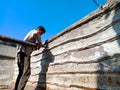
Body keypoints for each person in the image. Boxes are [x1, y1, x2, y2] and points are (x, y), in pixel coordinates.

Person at [14, 26, 46, 90]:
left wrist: (37, 45)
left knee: (21, 72)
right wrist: (40, 43)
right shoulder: (34, 32)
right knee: (26, 72)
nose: (41, 35)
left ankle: (16, 88)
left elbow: (33, 44)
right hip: (25, 53)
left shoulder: (31, 37)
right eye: (41, 33)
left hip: (20, 53)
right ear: (39, 29)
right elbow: (36, 34)